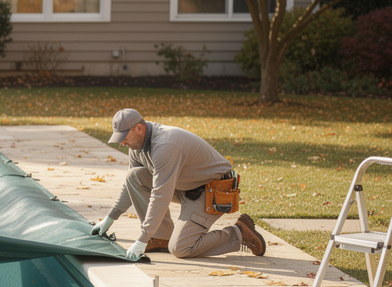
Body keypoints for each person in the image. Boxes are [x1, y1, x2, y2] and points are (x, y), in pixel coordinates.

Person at [92, 108, 266, 260]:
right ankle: (161, 237)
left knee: (181, 248)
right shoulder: (136, 147)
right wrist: (110, 218)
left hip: (213, 190)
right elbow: (131, 184)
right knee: (134, 176)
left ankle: (239, 233)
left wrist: (143, 238)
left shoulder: (166, 145)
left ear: (139, 128)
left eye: (123, 137)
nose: (122, 143)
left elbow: (161, 195)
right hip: (186, 186)